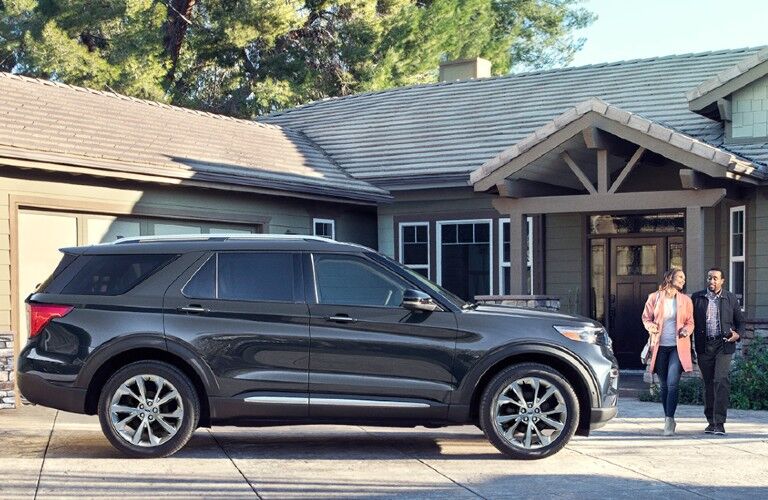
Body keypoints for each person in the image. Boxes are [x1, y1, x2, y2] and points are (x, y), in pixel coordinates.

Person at [641, 268, 694, 436]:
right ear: (670, 278)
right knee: (663, 385)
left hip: (678, 347)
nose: (683, 280)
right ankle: (667, 418)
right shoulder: (654, 297)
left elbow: (690, 322)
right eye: (680, 277)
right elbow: (646, 318)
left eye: (684, 278)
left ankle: (670, 420)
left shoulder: (686, 300)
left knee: (672, 383)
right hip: (660, 346)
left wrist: (687, 329)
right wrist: (650, 326)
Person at [691, 267, 744, 436]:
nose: (711, 281)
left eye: (715, 278)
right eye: (709, 278)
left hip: (724, 344)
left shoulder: (730, 298)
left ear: (722, 281)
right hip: (704, 346)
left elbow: (740, 322)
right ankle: (710, 421)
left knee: (721, 380)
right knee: (708, 383)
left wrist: (738, 335)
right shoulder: (697, 298)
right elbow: (689, 321)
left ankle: (719, 423)